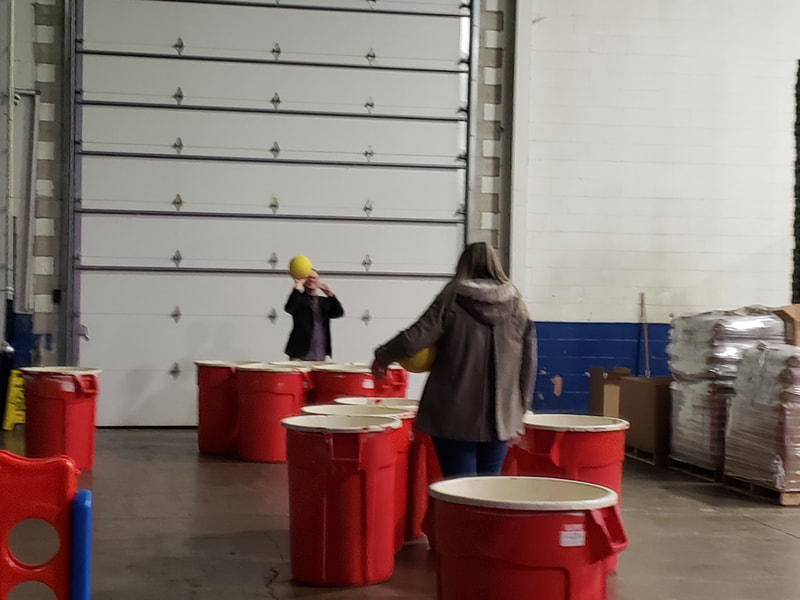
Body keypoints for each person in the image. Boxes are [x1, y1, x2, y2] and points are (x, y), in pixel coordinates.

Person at [371, 242, 536, 478]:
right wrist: (520, 409)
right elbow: (529, 361)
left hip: (454, 416)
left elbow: (412, 340)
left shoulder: (453, 297)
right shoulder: (516, 304)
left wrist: (383, 355)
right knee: (489, 490)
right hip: (501, 418)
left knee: (459, 489)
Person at [284, 270, 344, 361]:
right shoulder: (299, 299)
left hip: (320, 351)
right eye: (309, 277)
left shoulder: (323, 301)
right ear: (304, 281)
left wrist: (330, 295)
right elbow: (289, 308)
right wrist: (297, 287)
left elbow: (338, 312)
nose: (312, 280)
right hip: (300, 352)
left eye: (314, 278)